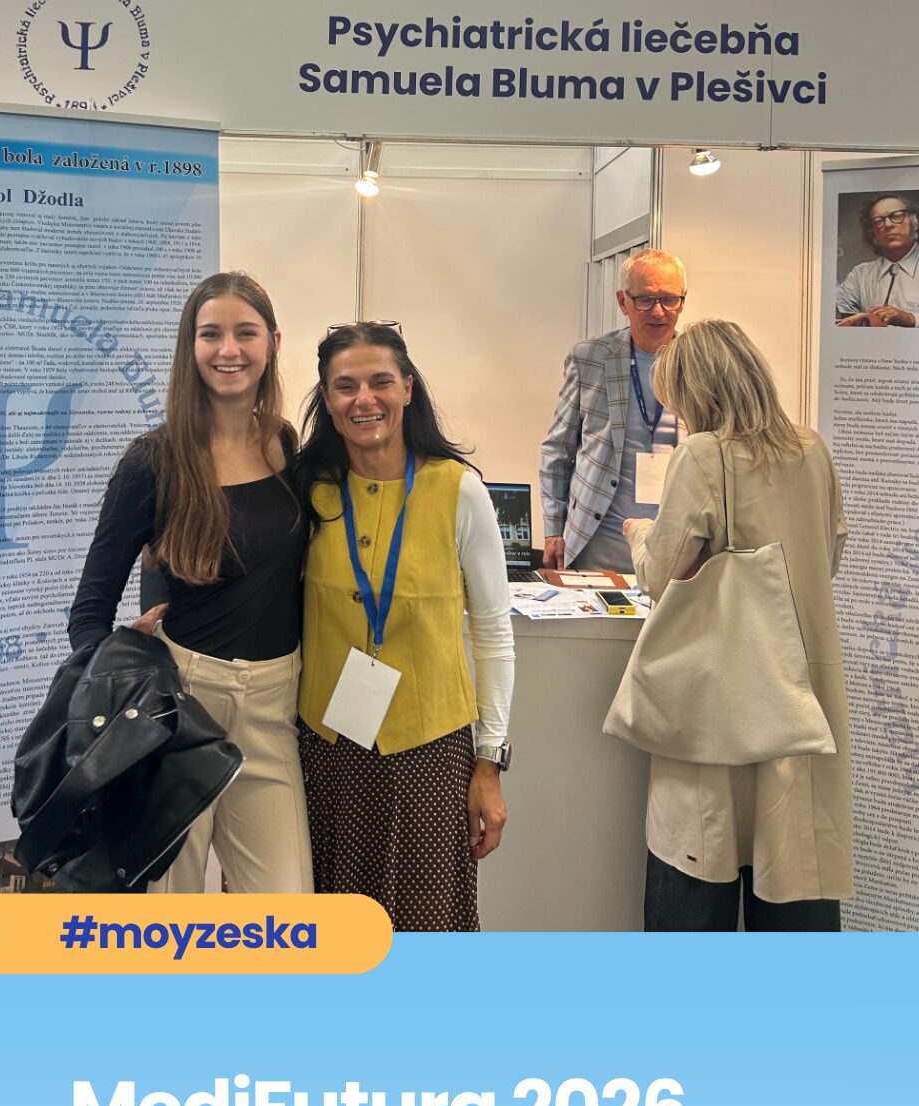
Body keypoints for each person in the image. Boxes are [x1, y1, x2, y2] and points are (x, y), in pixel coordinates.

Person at [67, 271, 312, 893]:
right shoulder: (153, 461)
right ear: (190, 345)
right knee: (169, 913)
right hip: (181, 706)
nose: (229, 350)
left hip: (275, 705)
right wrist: (123, 676)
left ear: (273, 343)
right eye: (211, 334)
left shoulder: (285, 445)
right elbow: (90, 608)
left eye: (245, 333)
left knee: (288, 911)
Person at [622, 319, 853, 932]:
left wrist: (638, 532)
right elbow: (829, 553)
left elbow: (661, 573)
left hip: (726, 699)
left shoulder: (703, 455)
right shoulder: (811, 450)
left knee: (697, 878)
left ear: (695, 391)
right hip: (801, 693)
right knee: (794, 890)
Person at [295, 322, 514, 931]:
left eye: (381, 382)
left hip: (431, 755)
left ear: (408, 389)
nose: (364, 399)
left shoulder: (459, 491)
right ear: (327, 399)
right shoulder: (308, 491)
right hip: (326, 753)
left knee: (425, 926)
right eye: (345, 386)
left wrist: (490, 764)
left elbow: (493, 633)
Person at [540, 249, 687, 573]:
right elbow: (557, 451)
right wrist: (553, 529)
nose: (659, 311)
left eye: (669, 299)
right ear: (623, 301)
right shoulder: (590, 359)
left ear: (682, 301)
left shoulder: (699, 364)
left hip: (676, 550)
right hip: (598, 547)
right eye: (645, 300)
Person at [836, 194, 919, 328]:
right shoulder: (860, 274)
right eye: (878, 221)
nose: (888, 225)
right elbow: (832, 312)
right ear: (873, 235)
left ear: (915, 223)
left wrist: (911, 319)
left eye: (897, 216)